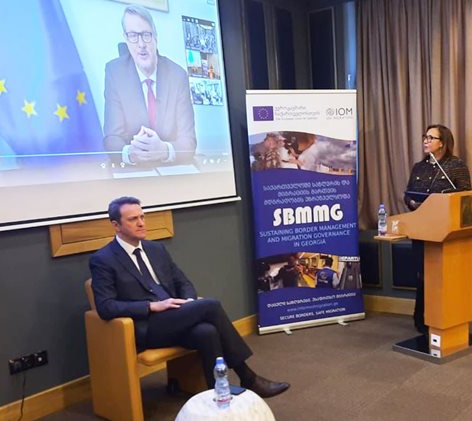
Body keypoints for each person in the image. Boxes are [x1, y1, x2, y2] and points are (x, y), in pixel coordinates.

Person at [89, 196, 289, 397]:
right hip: (146, 326)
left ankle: (218, 391)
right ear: (116, 225)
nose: (141, 223)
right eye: (133, 219)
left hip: (175, 315)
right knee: (211, 305)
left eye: (142, 217)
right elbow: (105, 306)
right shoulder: (103, 259)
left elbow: (183, 283)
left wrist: (189, 304)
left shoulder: (155, 249)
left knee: (207, 331)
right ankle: (248, 377)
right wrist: (151, 307)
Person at [103, 5, 196, 166]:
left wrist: (165, 150)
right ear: (125, 39)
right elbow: (112, 138)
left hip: (171, 171)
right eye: (133, 35)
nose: (141, 44)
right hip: (134, 173)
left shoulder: (178, 76)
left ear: (155, 37)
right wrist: (129, 153)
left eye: (146, 35)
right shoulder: (115, 73)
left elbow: (189, 141)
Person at [403, 124, 472, 334]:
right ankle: (422, 319)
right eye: (425, 137)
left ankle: (444, 320)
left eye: (431, 138)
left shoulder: (456, 165)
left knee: (442, 277)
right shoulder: (419, 167)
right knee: (423, 275)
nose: (426, 141)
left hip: (446, 231)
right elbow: (408, 194)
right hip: (422, 229)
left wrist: (439, 206)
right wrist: (413, 204)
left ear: (442, 143)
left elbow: (465, 196)